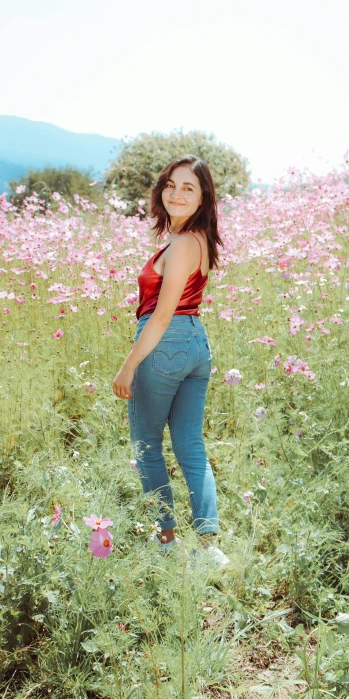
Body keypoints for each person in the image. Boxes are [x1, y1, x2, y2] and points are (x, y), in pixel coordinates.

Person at [112, 155, 229, 565]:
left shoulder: (182, 244)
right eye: (171, 185)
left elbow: (161, 316)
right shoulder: (197, 240)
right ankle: (208, 549)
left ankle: (165, 542)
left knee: (147, 445)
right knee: (189, 445)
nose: (177, 193)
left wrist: (129, 364)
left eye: (189, 188)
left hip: (167, 341)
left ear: (203, 199)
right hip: (195, 341)